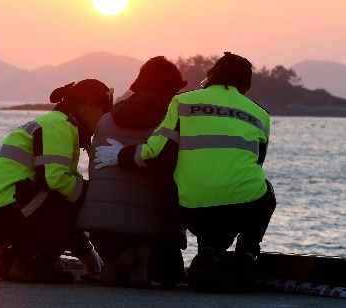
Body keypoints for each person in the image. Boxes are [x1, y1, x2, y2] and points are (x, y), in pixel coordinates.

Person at [94, 52, 276, 293]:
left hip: (194, 210)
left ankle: (207, 253)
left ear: (210, 76)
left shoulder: (182, 102)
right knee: (264, 192)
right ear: (245, 85)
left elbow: (157, 152)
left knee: (200, 193)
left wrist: (122, 155)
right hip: (244, 206)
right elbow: (256, 163)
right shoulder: (260, 114)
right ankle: (247, 253)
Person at [0, 79, 113, 284]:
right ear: (89, 104)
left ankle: (10, 260)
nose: (103, 120)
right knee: (69, 195)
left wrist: (87, 252)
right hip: (4, 211)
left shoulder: (53, 123)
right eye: (104, 112)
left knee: (70, 193)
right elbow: (56, 182)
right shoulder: (60, 125)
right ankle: (31, 263)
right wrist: (97, 194)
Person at [76, 56, 188, 288]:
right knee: (171, 276)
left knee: (121, 258)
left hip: (101, 228)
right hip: (152, 228)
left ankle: (126, 260)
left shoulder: (106, 121)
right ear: (169, 89)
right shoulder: (172, 122)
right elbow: (174, 171)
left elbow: (95, 172)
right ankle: (142, 254)